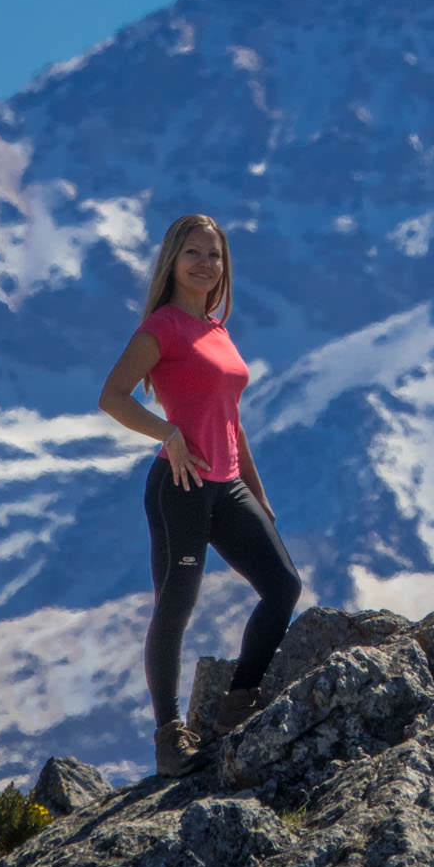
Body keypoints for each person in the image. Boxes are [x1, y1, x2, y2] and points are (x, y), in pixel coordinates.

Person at [98, 213, 302, 776]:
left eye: (214, 256)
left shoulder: (218, 330)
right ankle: (169, 737)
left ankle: (236, 708)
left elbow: (231, 422)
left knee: (283, 586)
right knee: (176, 606)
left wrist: (257, 495)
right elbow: (112, 397)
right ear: (172, 260)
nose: (205, 265)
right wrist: (168, 433)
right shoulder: (161, 328)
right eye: (194, 253)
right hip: (180, 485)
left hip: (228, 485)